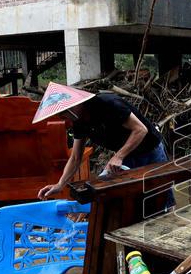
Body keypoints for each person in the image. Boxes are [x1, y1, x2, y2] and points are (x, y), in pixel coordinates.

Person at [33, 83, 172, 207]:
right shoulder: (79, 121)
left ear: (74, 104)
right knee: (134, 201)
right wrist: (60, 184)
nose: (63, 118)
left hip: (149, 149)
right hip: (127, 155)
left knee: (161, 196)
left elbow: (140, 130)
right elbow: (75, 157)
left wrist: (118, 156)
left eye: (63, 114)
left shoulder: (108, 104)